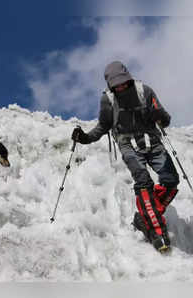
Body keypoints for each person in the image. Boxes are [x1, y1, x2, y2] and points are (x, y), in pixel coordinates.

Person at [71, 61, 179, 252]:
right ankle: (157, 231)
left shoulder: (145, 91)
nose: (120, 86)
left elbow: (165, 119)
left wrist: (160, 117)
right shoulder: (108, 100)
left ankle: (145, 217)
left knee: (171, 180)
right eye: (116, 84)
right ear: (110, 84)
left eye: (123, 82)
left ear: (128, 78)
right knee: (143, 181)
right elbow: (103, 126)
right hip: (127, 143)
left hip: (152, 140)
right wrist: (85, 138)